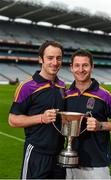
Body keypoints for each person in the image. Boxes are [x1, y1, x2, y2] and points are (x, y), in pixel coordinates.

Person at [65, 49, 111, 179]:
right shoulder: (65, 95)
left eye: (85, 65)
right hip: (69, 162)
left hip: (97, 165)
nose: (81, 69)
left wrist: (100, 126)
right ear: (71, 68)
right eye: (77, 65)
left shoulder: (104, 95)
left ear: (92, 67)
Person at [8, 41, 66, 179]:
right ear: (41, 59)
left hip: (59, 154)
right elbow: (12, 120)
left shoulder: (62, 86)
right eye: (50, 58)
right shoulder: (27, 87)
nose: (55, 62)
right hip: (37, 152)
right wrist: (41, 118)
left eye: (58, 58)